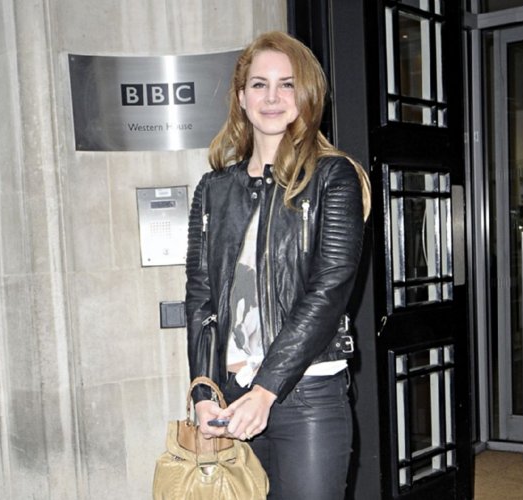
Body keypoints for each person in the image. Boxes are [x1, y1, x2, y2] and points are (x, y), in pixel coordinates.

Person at [185, 30, 371, 499]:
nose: (272, 97)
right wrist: (203, 392)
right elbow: (201, 298)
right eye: (259, 84)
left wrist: (267, 390)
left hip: (307, 396)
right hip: (231, 398)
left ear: (307, 95)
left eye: (287, 84)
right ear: (241, 97)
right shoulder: (213, 189)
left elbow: (329, 290)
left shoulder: (333, 177)